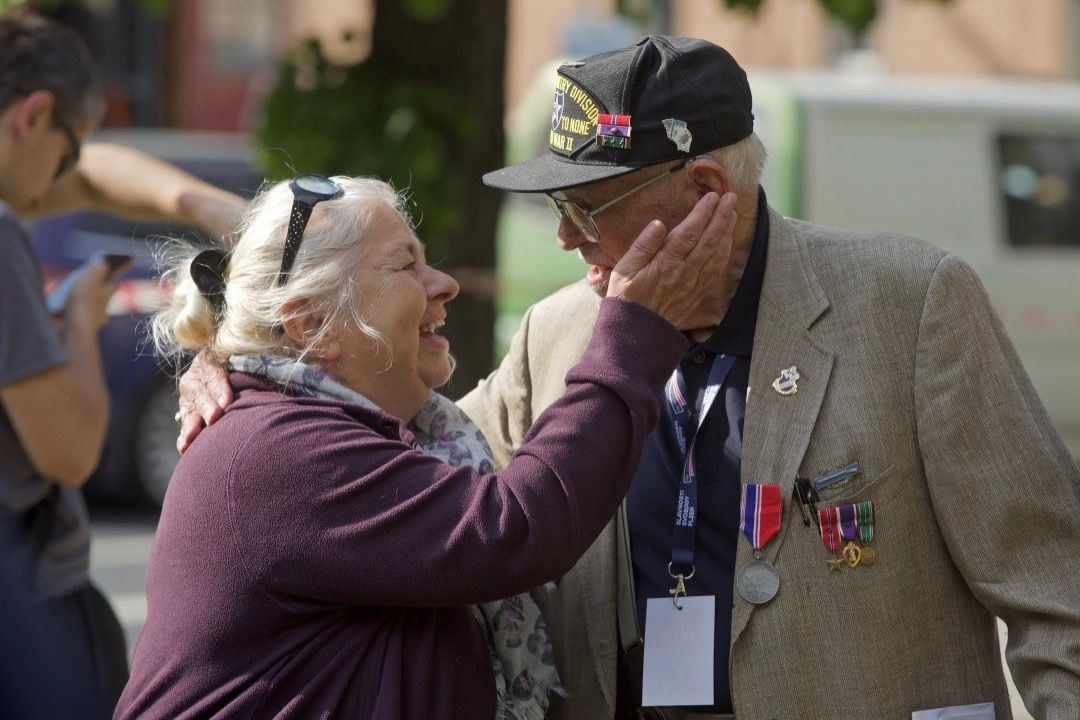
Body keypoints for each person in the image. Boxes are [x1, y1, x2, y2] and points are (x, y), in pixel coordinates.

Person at [176, 36, 1080, 720]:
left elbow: (1057, 598)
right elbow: (419, 464)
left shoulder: (908, 302)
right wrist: (243, 367)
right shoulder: (562, 331)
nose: (564, 239)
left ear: (704, 195)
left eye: (587, 205)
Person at [115, 171, 736, 720]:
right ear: (311, 325)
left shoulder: (394, 433)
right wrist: (637, 333)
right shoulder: (275, 450)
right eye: (405, 265)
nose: (443, 283)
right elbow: (516, 526)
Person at [0, 12, 244, 719]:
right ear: (34, 115)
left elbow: (97, 172)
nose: (62, 182)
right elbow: (71, 451)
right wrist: (77, 320)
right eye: (64, 153)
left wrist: (199, 204)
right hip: (25, 599)